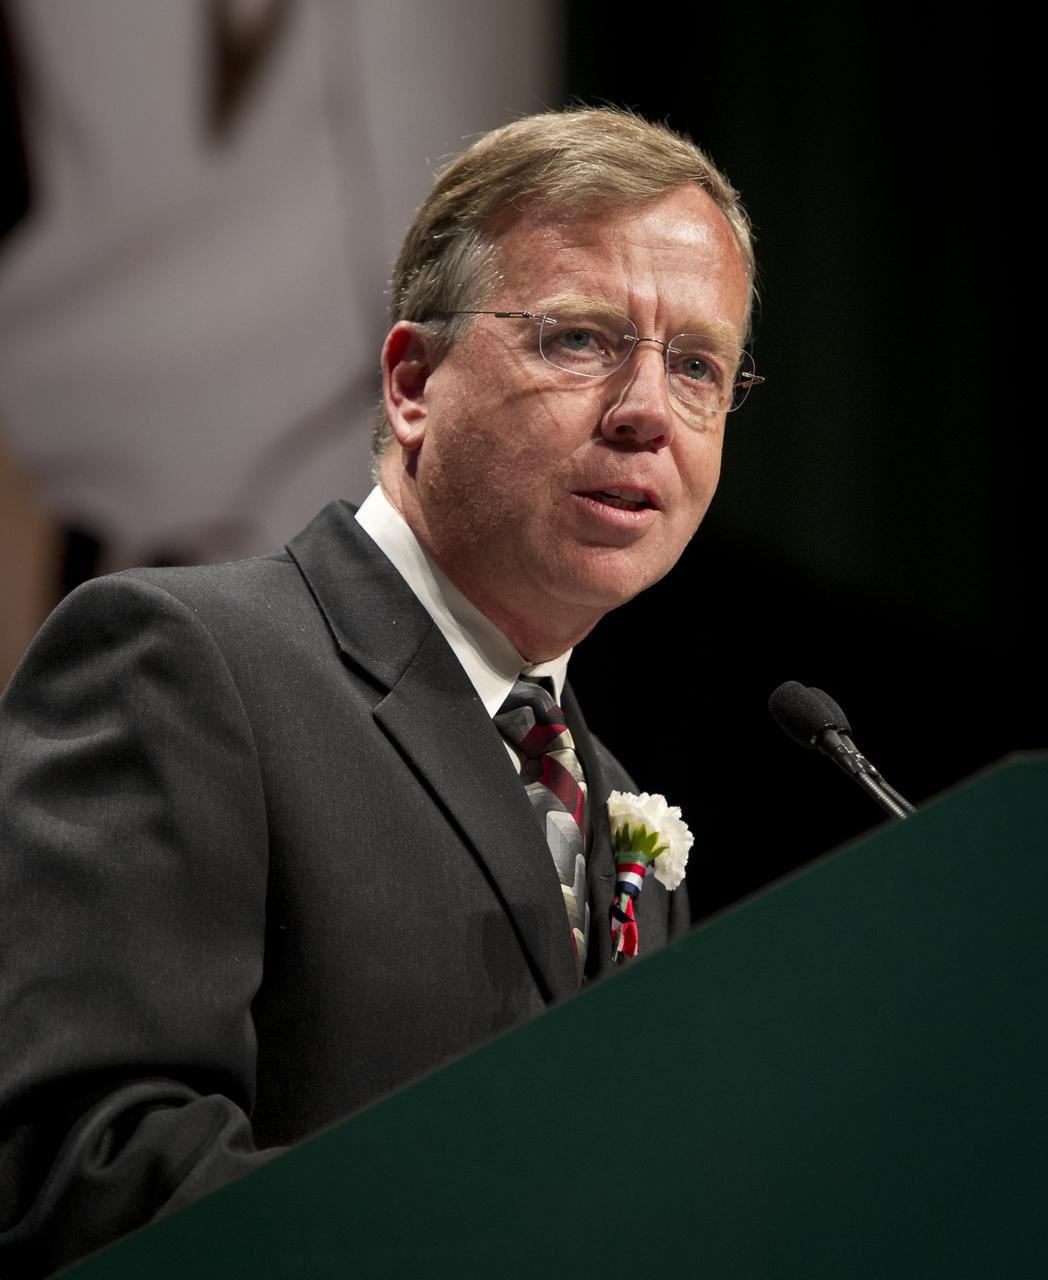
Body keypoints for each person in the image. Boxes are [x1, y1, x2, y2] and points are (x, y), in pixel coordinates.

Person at [0, 107, 759, 1277]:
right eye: (579, 340)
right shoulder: (187, 664)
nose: (646, 410)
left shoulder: (611, 807)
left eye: (696, 364)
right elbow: (85, 1167)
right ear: (412, 381)